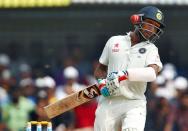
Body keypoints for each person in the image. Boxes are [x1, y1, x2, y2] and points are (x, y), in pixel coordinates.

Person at [94, 6, 165, 131]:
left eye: (155, 27)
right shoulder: (114, 41)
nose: (152, 29)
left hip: (134, 102)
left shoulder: (151, 49)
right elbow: (100, 69)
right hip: (109, 101)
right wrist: (101, 84)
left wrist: (125, 74)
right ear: (137, 20)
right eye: (149, 24)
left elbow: (152, 73)